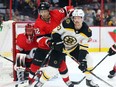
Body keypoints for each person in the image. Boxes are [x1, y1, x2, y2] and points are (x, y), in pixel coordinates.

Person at [38, 8, 99, 87]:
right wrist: (59, 43)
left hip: (73, 48)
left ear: (82, 18)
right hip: (60, 47)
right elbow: (55, 32)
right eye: (75, 18)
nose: (76, 20)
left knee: (89, 59)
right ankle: (40, 82)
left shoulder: (87, 32)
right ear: (72, 18)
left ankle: (89, 80)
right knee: (52, 70)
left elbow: (83, 48)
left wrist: (82, 61)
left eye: (79, 18)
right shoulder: (66, 24)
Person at [28, 2, 74, 87]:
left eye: (45, 11)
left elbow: (67, 8)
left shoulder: (56, 13)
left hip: (57, 42)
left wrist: (72, 13)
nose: (43, 13)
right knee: (35, 64)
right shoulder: (38, 23)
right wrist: (48, 42)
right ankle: (30, 80)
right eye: (41, 12)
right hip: (44, 46)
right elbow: (39, 39)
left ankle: (67, 81)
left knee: (61, 64)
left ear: (48, 10)